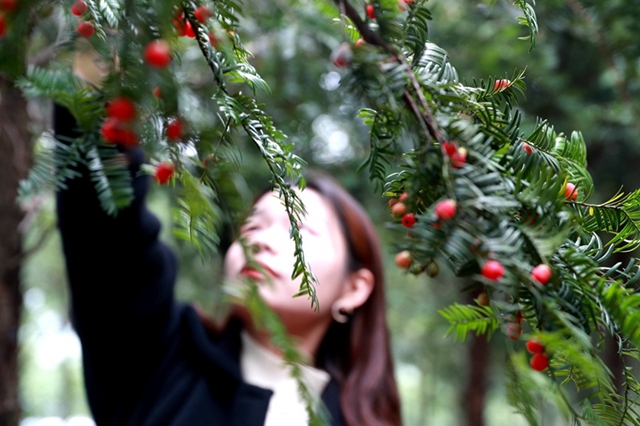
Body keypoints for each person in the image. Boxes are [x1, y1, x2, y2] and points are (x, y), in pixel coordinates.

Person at [54, 54, 401, 426]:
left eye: (296, 230)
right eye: (251, 228)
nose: (259, 242)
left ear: (355, 288)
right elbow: (107, 234)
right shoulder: (159, 359)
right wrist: (100, 73)